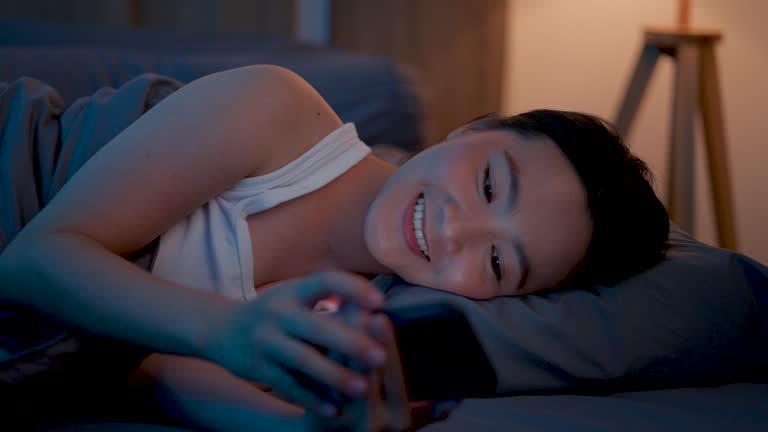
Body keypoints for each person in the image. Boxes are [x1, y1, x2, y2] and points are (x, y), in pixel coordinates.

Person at [0, 65, 669, 430]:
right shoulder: (277, 112)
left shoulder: (349, 316)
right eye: (489, 182)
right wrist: (231, 329)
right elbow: (33, 261)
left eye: (496, 262)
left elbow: (157, 374)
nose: (454, 230)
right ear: (474, 127)